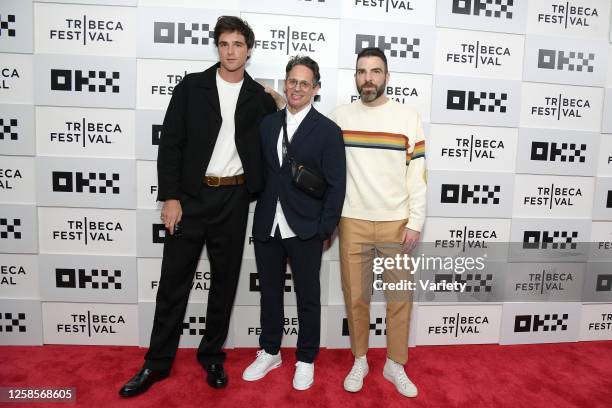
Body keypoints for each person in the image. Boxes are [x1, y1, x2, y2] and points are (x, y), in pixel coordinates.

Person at [119, 16, 282, 397]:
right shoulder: (192, 86)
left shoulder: (257, 98)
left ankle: (211, 356)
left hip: (234, 198)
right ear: (217, 47)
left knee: (223, 285)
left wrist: (272, 94)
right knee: (174, 282)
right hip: (190, 200)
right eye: (225, 44)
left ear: (249, 49)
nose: (231, 51)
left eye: (238, 44)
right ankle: (157, 362)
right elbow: (171, 143)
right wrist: (171, 197)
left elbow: (280, 121)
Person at [242, 56, 346, 390]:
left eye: (304, 83)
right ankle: (270, 351)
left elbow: (337, 185)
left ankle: (305, 358)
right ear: (284, 83)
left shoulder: (328, 131)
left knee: (308, 297)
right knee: (269, 293)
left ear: (316, 89)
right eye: (292, 81)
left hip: (306, 226)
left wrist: (324, 229)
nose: (297, 88)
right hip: (268, 223)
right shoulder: (268, 124)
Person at [328, 47, 426, 398]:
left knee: (400, 297)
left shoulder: (408, 117)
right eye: (362, 71)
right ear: (355, 76)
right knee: (356, 297)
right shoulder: (339, 117)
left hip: (396, 223)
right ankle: (360, 358)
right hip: (352, 220)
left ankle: (395, 363)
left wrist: (415, 221)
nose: (368, 78)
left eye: (375, 71)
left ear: (387, 76)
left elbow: (417, 175)